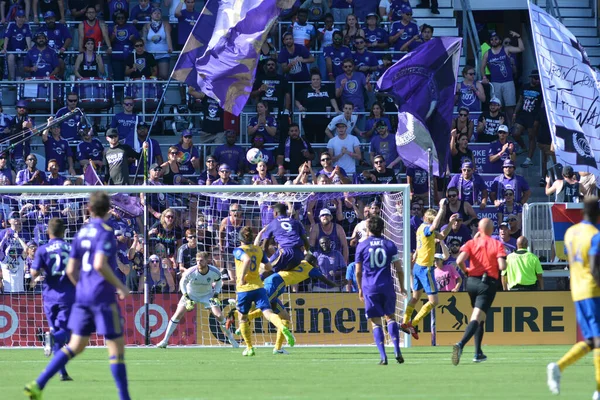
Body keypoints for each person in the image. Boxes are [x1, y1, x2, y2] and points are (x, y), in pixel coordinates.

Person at [25, 192, 131, 400]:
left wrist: (83, 287)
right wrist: (120, 286)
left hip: (82, 297)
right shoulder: (106, 232)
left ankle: (38, 384)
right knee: (115, 347)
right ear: (108, 210)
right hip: (103, 297)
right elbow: (100, 264)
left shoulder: (81, 234)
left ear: (89, 210)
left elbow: (72, 270)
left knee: (76, 345)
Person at [228, 254, 340, 353]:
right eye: (315, 263)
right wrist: (336, 285)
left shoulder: (300, 262)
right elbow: (323, 279)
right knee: (264, 307)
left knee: (285, 317)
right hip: (277, 283)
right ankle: (242, 315)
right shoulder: (310, 267)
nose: (316, 266)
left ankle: (278, 348)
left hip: (275, 281)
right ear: (313, 263)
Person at [548, 197, 600, 398]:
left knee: (591, 340)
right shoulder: (595, 235)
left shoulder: (570, 233)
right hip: (592, 290)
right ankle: (598, 390)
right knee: (598, 339)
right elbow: (595, 268)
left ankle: (558, 367)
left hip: (577, 289)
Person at [452, 218, 506, 365]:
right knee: (477, 317)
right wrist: (501, 261)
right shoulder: (496, 244)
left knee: (480, 318)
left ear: (479, 229)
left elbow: (459, 260)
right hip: (487, 284)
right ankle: (461, 344)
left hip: (471, 283)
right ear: (492, 230)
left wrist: (466, 271)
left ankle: (478, 352)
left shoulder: (471, 243)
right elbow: (502, 266)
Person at [234, 226, 295, 356]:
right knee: (268, 313)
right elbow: (268, 267)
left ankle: (249, 347)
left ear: (240, 239)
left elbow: (247, 259)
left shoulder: (238, 250)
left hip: (244, 289)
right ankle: (282, 326)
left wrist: (242, 278)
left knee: (243, 318)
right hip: (259, 287)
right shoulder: (258, 250)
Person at [156, 251, 238, 348]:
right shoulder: (191, 271)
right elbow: (182, 283)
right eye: (197, 261)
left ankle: (231, 340)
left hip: (207, 295)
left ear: (207, 261)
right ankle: (165, 341)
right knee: (177, 314)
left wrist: (215, 295)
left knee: (219, 315)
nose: (199, 263)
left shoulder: (214, 272)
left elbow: (219, 282)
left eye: (201, 261)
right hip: (191, 294)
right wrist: (186, 297)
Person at [355, 216, 406, 365]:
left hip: (370, 287)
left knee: (376, 322)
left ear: (368, 229)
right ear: (382, 228)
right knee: (390, 317)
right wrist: (402, 287)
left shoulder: (362, 246)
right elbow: (399, 270)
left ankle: (383, 356)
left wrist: (359, 288)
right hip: (387, 286)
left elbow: (358, 272)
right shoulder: (390, 245)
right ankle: (397, 349)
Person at [29, 218, 74, 380]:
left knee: (56, 331)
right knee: (67, 333)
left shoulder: (42, 249)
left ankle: (63, 373)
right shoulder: (71, 248)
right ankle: (53, 338)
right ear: (64, 232)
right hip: (67, 296)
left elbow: (34, 273)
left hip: (49, 297)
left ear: (48, 232)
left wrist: (37, 277)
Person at [401, 199, 452, 339]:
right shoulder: (426, 228)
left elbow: (441, 236)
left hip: (417, 266)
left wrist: (451, 224)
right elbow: (435, 225)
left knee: (416, 297)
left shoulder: (420, 229)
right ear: (430, 219)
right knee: (434, 301)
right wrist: (442, 208)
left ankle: (405, 321)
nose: (436, 224)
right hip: (425, 268)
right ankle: (413, 323)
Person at [480, 31, 524, 128]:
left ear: (500, 40)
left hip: (508, 81)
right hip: (495, 83)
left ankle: (511, 127)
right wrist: (484, 77)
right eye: (492, 39)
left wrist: (519, 36)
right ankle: (498, 128)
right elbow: (482, 67)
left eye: (496, 39)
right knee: (496, 106)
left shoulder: (506, 49)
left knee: (510, 107)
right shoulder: (487, 53)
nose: (494, 41)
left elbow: (521, 49)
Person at [262, 203, 310, 272]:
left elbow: (264, 247)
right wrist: (305, 253)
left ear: (275, 213)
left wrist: (270, 257)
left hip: (284, 253)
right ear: (286, 212)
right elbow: (306, 242)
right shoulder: (296, 222)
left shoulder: (273, 223)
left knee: (265, 270)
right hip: (298, 253)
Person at [514, 69, 543, 168]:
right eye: (535, 78)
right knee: (515, 133)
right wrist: (515, 113)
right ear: (531, 78)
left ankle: (529, 158)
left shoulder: (541, 89)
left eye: (539, 78)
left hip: (534, 116)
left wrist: (538, 119)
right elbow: (520, 101)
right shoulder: (525, 86)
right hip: (523, 114)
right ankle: (523, 147)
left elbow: (543, 106)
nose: (537, 80)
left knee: (531, 137)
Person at [141, 8, 173, 80]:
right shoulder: (146, 26)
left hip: (163, 53)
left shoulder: (165, 24)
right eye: (155, 13)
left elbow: (168, 36)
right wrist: (144, 50)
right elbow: (144, 38)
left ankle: (162, 90)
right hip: (150, 54)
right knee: (151, 76)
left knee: (163, 76)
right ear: (151, 15)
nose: (157, 15)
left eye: (159, 13)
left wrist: (170, 47)